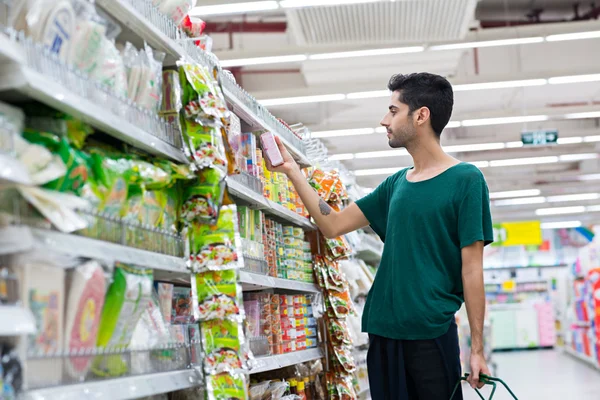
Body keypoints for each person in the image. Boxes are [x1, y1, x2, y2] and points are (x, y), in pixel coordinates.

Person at [264, 72, 494, 400]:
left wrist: (477, 349)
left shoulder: (465, 180)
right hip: (383, 332)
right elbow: (334, 225)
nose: (384, 120)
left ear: (421, 115)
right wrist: (293, 172)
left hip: (430, 331)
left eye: (393, 110)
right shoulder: (396, 184)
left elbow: (472, 269)